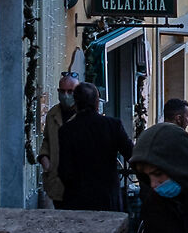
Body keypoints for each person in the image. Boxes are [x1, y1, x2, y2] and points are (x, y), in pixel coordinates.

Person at [56, 82, 135, 213]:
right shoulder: (112, 125)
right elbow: (131, 154)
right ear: (97, 102)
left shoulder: (66, 130)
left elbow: (64, 170)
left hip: (77, 199)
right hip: (107, 198)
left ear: (75, 102)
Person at [38, 72, 77, 204]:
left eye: (70, 91)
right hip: (56, 182)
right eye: (62, 91)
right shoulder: (52, 114)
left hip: (78, 184)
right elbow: (47, 140)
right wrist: (44, 159)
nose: (66, 95)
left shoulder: (84, 115)